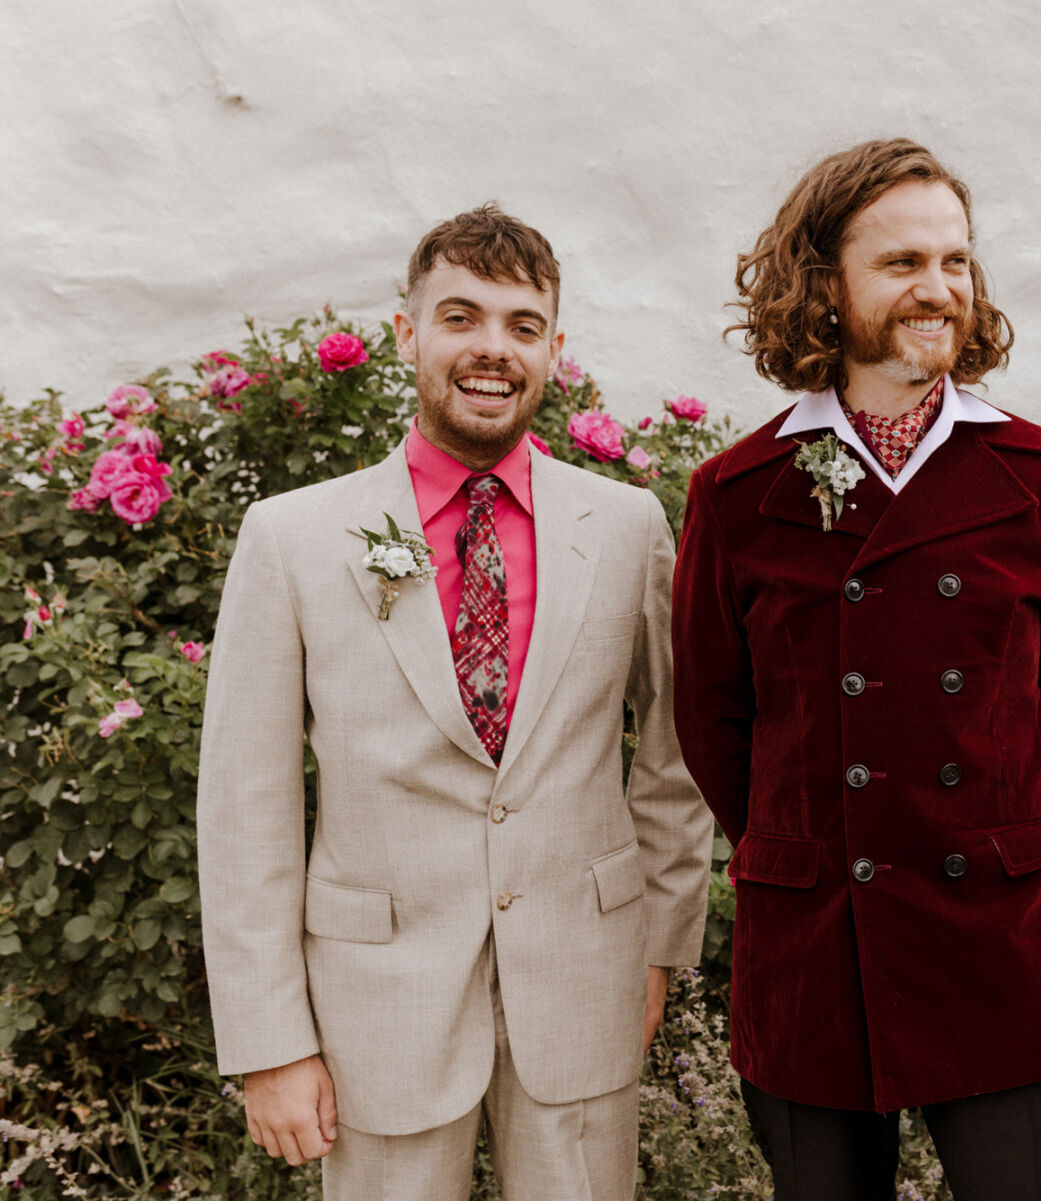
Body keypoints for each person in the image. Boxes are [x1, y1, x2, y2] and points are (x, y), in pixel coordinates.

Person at [197, 204, 712, 1201]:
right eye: (462, 317)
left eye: (523, 325)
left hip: (586, 983)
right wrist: (269, 1041)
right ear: (407, 332)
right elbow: (246, 805)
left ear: (555, 349)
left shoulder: (627, 527)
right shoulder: (292, 539)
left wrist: (656, 943)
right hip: (373, 1006)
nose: (492, 348)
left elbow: (678, 756)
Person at [671, 138, 1041, 1201]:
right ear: (824, 287)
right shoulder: (739, 492)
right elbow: (713, 719)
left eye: (956, 261)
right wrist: (815, 840)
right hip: (816, 940)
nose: (939, 288)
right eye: (902, 262)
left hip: (999, 938)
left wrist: (981, 831)